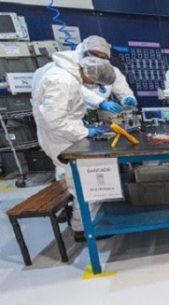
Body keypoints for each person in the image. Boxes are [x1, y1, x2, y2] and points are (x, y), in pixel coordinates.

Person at [32, 51, 116, 242]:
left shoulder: (66, 72)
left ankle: (80, 220)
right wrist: (84, 132)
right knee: (82, 183)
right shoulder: (62, 80)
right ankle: (83, 229)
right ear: (92, 75)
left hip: (61, 135)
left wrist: (100, 103)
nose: (94, 86)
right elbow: (54, 120)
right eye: (97, 83)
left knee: (75, 180)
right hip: (60, 138)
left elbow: (77, 95)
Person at [75, 35, 137, 113]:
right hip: (77, 111)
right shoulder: (73, 68)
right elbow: (77, 90)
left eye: (103, 57)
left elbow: (121, 87)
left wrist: (127, 97)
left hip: (99, 113)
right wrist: (101, 102)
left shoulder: (110, 70)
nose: (98, 59)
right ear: (85, 52)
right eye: (95, 54)